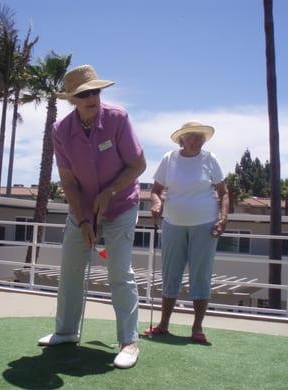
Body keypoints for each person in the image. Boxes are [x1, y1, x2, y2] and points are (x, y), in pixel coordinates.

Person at [37, 65, 146, 368]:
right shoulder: (61, 131)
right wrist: (84, 220)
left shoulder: (118, 119)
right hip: (82, 208)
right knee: (71, 268)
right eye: (84, 94)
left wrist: (109, 192)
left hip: (122, 204)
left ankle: (129, 341)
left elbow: (138, 166)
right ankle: (67, 332)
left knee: (118, 272)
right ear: (72, 99)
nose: (92, 98)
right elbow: (69, 182)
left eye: (95, 92)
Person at [145, 121, 229, 343]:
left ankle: (197, 328)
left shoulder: (211, 159)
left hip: (205, 224)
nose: (197, 140)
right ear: (181, 140)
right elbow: (155, 190)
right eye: (192, 136)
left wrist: (223, 218)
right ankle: (163, 324)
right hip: (172, 223)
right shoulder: (168, 159)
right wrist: (156, 204)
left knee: (200, 275)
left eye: (200, 137)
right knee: (170, 273)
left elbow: (224, 193)